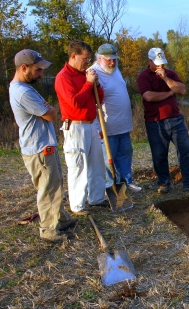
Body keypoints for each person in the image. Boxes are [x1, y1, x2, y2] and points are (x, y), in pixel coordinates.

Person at [9, 49, 77, 242]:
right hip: (39, 148)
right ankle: (48, 230)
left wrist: (47, 108)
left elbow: (47, 110)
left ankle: (61, 219)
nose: (41, 74)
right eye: (37, 70)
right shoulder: (22, 92)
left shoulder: (24, 88)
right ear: (24, 68)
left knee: (55, 184)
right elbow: (51, 114)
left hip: (43, 145)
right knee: (48, 189)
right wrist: (48, 108)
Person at [137, 47, 189, 193]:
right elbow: (149, 97)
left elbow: (182, 90)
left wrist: (165, 78)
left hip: (176, 119)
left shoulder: (170, 73)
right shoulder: (143, 77)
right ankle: (164, 183)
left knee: (185, 150)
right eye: (157, 63)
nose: (160, 66)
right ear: (149, 61)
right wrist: (170, 92)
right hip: (155, 122)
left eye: (162, 63)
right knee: (159, 154)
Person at [55, 40, 109, 216]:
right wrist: (88, 83)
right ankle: (77, 205)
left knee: (97, 162)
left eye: (88, 59)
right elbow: (75, 103)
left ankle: (97, 197)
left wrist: (97, 84)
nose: (87, 62)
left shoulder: (85, 74)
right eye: (84, 58)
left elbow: (99, 98)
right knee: (78, 166)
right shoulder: (63, 77)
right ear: (73, 56)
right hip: (75, 126)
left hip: (91, 124)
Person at [89, 43, 142, 192]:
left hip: (122, 125)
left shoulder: (114, 70)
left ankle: (127, 181)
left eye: (114, 59)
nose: (112, 62)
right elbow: (92, 103)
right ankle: (111, 187)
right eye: (108, 60)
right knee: (107, 160)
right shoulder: (94, 73)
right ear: (99, 58)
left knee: (125, 153)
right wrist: (98, 127)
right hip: (107, 127)